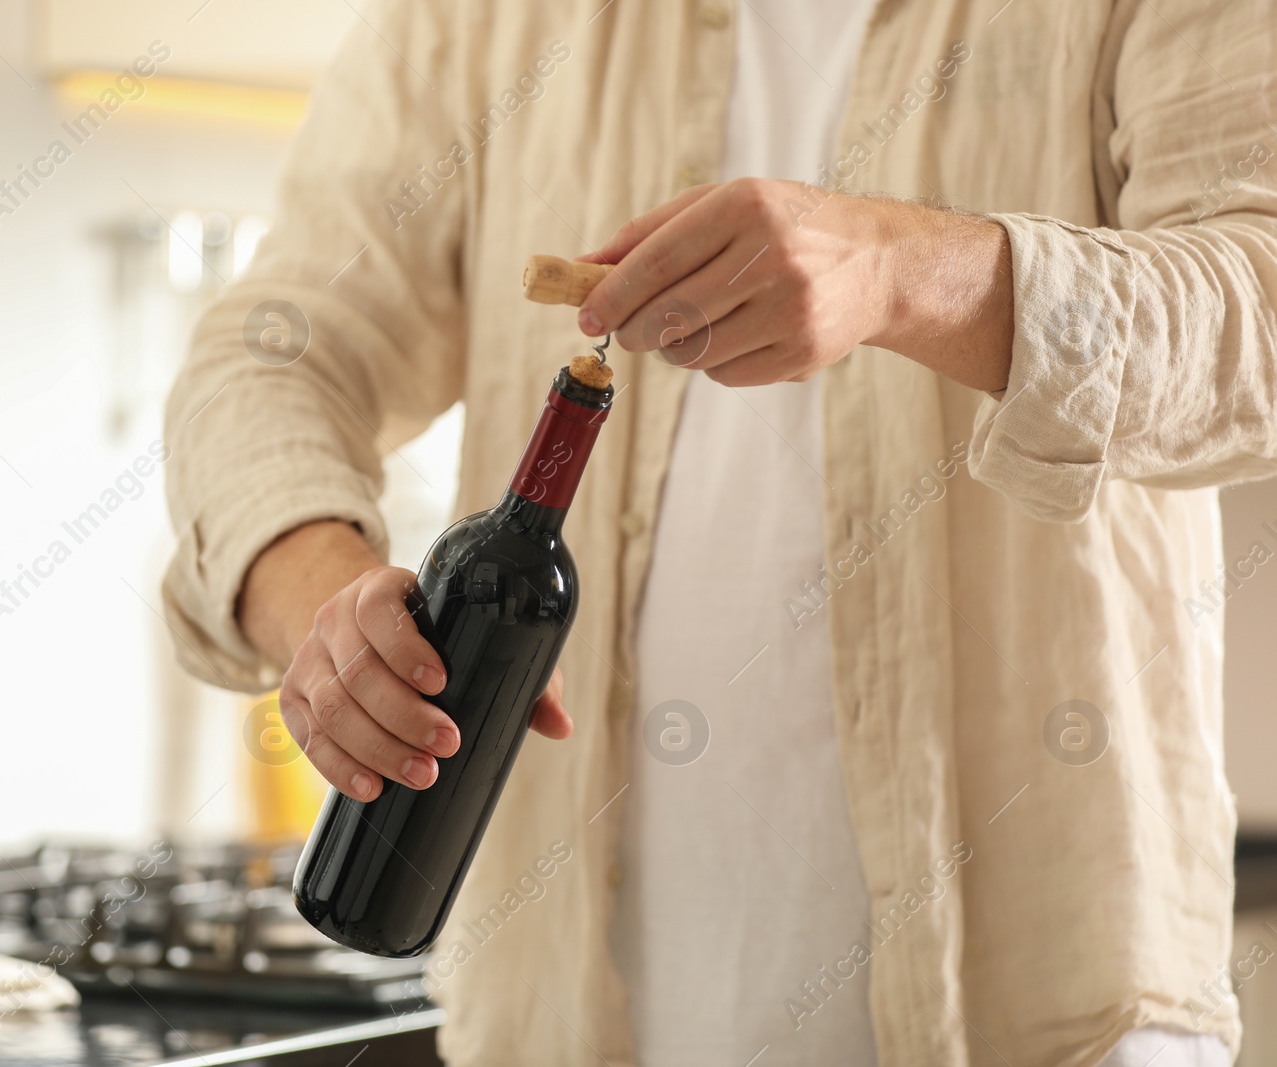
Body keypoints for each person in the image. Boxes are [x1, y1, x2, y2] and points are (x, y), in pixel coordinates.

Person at [162, 1, 1277, 1063]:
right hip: (562, 1016)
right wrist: (326, 602)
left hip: (1045, 1008)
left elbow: (1259, 309)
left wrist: (905, 271)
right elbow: (275, 351)